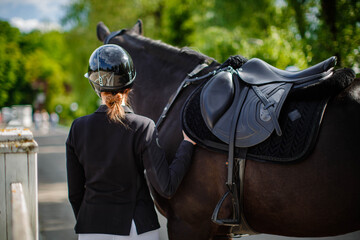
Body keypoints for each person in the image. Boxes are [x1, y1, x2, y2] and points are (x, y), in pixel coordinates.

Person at [66, 44, 196, 240]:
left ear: (95, 85)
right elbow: (166, 187)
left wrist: (90, 222)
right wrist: (187, 145)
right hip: (137, 227)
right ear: (130, 85)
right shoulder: (143, 126)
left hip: (92, 227)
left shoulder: (77, 128)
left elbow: (75, 194)